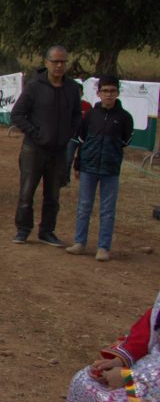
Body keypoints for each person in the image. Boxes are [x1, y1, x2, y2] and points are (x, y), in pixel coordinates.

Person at [10, 45, 82, 245]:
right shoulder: (34, 86)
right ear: (46, 63)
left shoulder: (72, 89)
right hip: (34, 149)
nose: (59, 66)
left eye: (63, 62)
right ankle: (23, 229)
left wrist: (69, 133)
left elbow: (77, 115)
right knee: (27, 192)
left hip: (59, 151)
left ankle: (47, 231)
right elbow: (17, 114)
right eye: (55, 61)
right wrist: (35, 133)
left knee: (53, 195)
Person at [66, 75, 134, 262]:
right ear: (98, 93)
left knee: (107, 210)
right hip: (88, 168)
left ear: (118, 93)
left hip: (110, 170)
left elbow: (126, 140)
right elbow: (81, 140)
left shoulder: (125, 118)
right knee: (84, 206)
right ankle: (79, 242)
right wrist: (78, 164)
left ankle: (103, 247)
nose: (109, 95)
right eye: (105, 91)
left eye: (112, 91)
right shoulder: (90, 116)